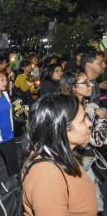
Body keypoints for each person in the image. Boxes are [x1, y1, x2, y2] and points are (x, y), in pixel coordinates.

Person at [22, 94, 97, 215]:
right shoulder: (46, 176)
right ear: (62, 128)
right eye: (83, 119)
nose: (89, 123)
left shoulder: (59, 152)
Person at [58, 69, 106, 213]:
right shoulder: (71, 110)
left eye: (90, 81)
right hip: (73, 162)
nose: (91, 85)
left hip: (81, 161)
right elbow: (97, 140)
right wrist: (102, 118)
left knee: (96, 199)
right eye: (85, 82)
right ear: (73, 87)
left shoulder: (80, 105)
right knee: (87, 202)